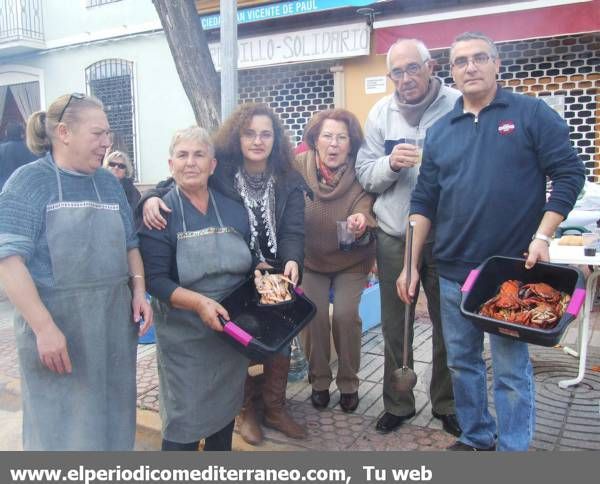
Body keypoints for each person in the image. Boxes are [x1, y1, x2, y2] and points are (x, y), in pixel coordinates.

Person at [398, 32, 585, 451]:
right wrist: (410, 265)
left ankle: (513, 449)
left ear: (497, 63)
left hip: (512, 273)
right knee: (461, 362)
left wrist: (543, 234)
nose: (470, 67)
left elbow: (571, 174)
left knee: (511, 370)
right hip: (452, 271)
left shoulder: (531, 113)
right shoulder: (441, 131)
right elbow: (423, 200)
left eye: (479, 58)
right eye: (461, 61)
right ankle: (477, 435)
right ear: (451, 72)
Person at [140, 103, 309, 446]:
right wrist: (150, 199)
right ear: (237, 137)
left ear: (276, 139)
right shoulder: (223, 171)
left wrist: (290, 261)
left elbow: (293, 229)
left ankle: (273, 408)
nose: (258, 141)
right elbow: (179, 180)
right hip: (197, 317)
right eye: (250, 133)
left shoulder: (287, 178)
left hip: (263, 274)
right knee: (186, 418)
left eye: (266, 134)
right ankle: (249, 411)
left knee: (278, 336)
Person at [0, 93, 153, 450]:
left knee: (114, 423)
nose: (106, 143)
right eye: (98, 134)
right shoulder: (28, 183)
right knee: (62, 431)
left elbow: (131, 244)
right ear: (65, 132)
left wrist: (138, 292)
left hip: (113, 332)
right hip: (59, 335)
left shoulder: (109, 184)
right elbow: (8, 261)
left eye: (108, 135)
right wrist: (44, 328)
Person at [355, 38, 461, 436]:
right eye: (396, 72)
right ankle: (398, 403)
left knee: (448, 324)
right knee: (395, 325)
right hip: (396, 234)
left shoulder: (456, 106)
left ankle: (447, 403)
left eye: (412, 68)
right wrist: (390, 164)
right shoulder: (381, 112)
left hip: (445, 237)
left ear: (430, 65)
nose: (405, 79)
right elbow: (365, 173)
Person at [139, 126, 253, 451]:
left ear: (212, 165)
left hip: (229, 336)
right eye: (183, 155)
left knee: (222, 422)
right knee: (183, 428)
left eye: (199, 155)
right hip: (184, 340)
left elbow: (249, 256)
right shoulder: (160, 213)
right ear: (170, 164)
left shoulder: (231, 207)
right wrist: (200, 304)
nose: (191, 163)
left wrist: (261, 271)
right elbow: (156, 280)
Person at [295, 109, 376, 412]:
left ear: (351, 144)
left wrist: (361, 219)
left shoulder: (360, 170)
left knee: (344, 315)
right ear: (315, 140)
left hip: (351, 259)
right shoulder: (296, 166)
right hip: (309, 259)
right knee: (312, 314)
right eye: (327, 136)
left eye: (341, 138)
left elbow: (367, 204)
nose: (334, 144)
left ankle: (348, 382)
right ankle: (318, 380)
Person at [0, 122, 36, 190]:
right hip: (25, 188)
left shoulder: (1, 148)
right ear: (21, 134)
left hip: (3, 188)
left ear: (6, 133)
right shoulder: (30, 148)